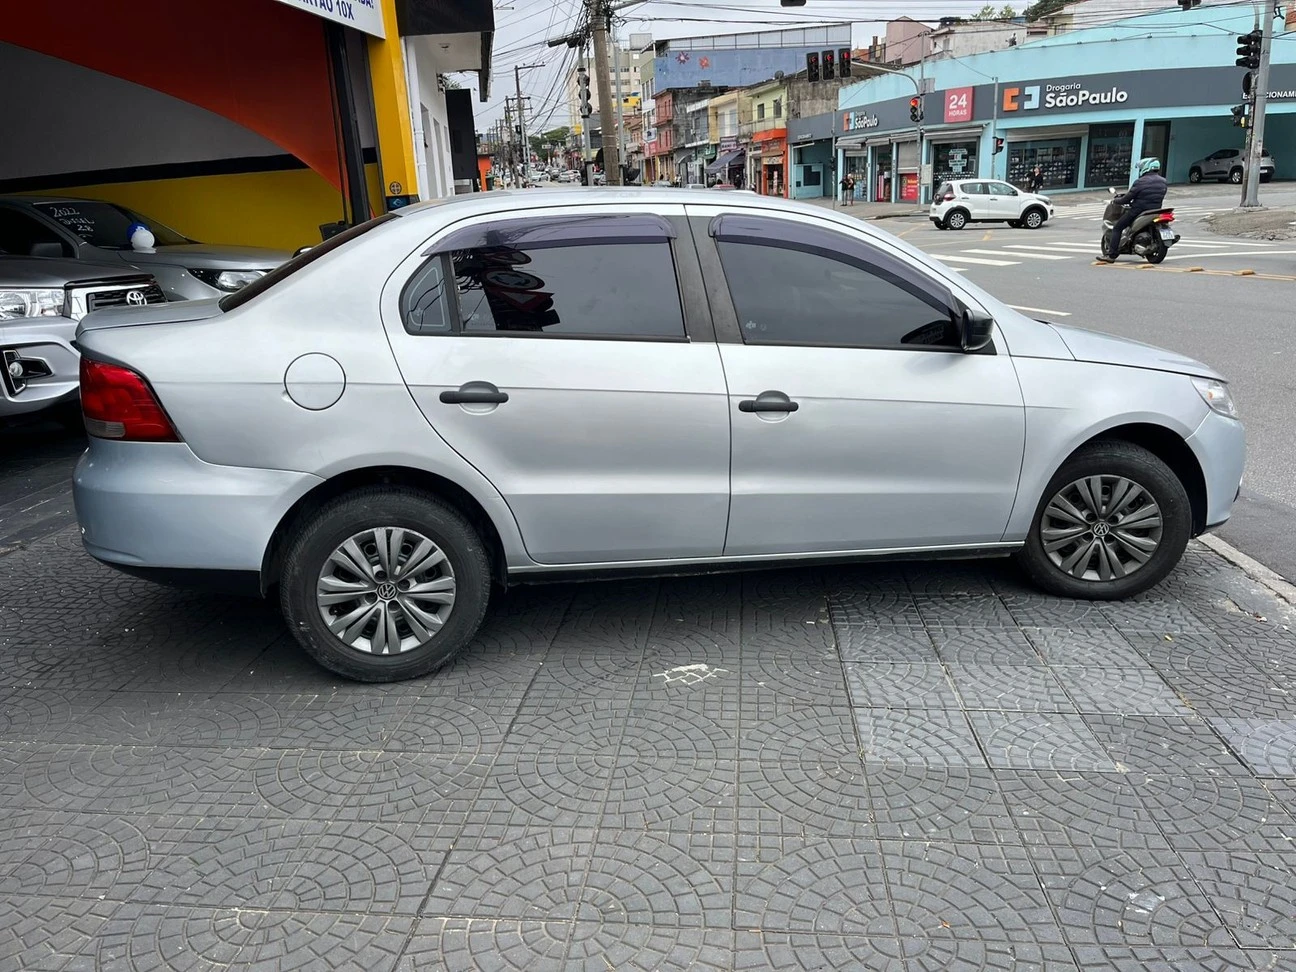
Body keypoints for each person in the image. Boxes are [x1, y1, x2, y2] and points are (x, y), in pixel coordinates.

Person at [1100, 157, 1168, 263]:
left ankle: (1111, 255)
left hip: (1138, 210)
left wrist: (1116, 200)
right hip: (1156, 210)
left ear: (1146, 167)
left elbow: (1127, 198)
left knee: (1117, 227)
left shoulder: (1140, 182)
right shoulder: (1163, 181)